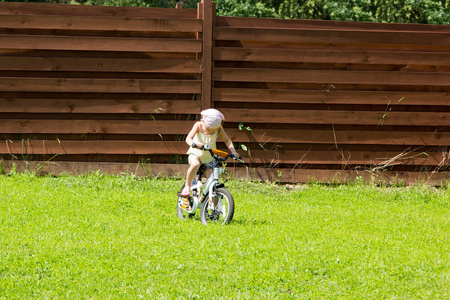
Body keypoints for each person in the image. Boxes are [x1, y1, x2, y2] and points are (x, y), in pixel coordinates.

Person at [180, 108, 239, 197]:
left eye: (214, 129)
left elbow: (227, 141)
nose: (212, 131)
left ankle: (213, 207)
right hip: (195, 153)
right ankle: (187, 186)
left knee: (213, 181)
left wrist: (233, 151)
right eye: (209, 128)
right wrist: (194, 144)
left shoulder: (219, 128)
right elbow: (188, 138)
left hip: (209, 157)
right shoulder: (198, 125)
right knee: (195, 164)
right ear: (203, 121)